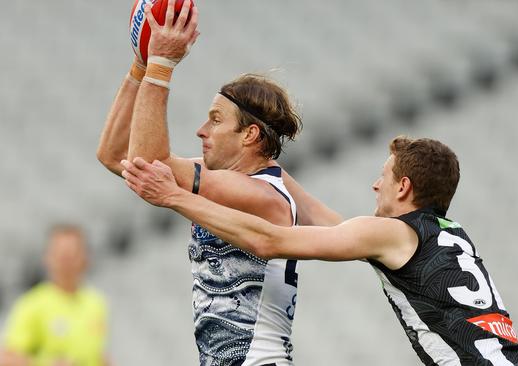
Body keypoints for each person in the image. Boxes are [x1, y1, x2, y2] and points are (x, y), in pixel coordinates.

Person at [121, 136, 518, 366]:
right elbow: (335, 225)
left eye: (383, 176)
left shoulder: (391, 234)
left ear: (404, 187)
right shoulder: (449, 234)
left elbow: (269, 241)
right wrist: (269, 173)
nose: (376, 185)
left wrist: (174, 198)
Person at [96, 1, 340, 364]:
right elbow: (116, 155)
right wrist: (141, 65)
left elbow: (150, 162)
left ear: (249, 135)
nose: (201, 130)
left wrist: (161, 66)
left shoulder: (261, 194)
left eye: (215, 120)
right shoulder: (251, 182)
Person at [0, 225, 110, 366]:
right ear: (47, 258)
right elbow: (6, 360)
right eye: (61, 255)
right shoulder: (31, 304)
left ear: (85, 258)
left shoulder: (96, 303)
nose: (66, 262)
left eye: (72, 254)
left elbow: (97, 354)